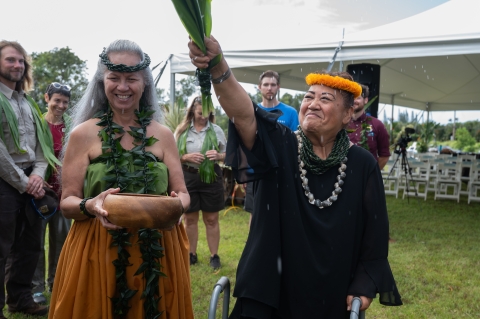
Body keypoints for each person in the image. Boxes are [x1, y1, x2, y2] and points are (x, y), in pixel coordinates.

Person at [188, 36, 402, 318]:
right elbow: (244, 115)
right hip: (270, 289)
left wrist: (363, 285)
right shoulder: (279, 144)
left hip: (332, 293)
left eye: (325, 99)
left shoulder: (362, 164)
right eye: (308, 97)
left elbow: (374, 235)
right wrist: (218, 66)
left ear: (348, 114)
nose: (312, 104)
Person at [48, 40, 194, 319]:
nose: (123, 87)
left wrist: (177, 206)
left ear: (145, 84)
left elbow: (183, 193)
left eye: (131, 78)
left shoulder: (163, 135)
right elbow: (67, 202)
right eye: (114, 78)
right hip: (97, 248)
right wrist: (90, 206)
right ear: (102, 82)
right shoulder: (83, 134)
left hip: (158, 248)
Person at [0, 40, 57, 318]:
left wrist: (36, 175)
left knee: (30, 243)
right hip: (4, 181)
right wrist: (24, 183)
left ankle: (21, 299)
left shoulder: (29, 103)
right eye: (10, 60)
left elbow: (42, 147)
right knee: (1, 246)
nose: (17, 65)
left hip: (30, 179)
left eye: (21, 61)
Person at [31, 83, 72, 304]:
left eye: (65, 102)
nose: (61, 105)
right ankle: (36, 288)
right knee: (36, 242)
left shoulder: (70, 127)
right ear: (47, 98)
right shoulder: (37, 124)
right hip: (39, 193)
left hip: (64, 194)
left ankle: (55, 282)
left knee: (61, 240)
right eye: (57, 100)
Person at [174, 96, 226, 269]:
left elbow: (227, 153)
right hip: (188, 176)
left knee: (211, 219)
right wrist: (185, 157)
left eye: (207, 112)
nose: (203, 116)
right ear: (192, 111)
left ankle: (214, 256)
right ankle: (191, 254)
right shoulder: (181, 131)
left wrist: (218, 156)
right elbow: (172, 155)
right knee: (190, 219)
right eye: (199, 112)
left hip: (211, 177)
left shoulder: (217, 130)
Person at [244, 71, 299, 226]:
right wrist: (245, 170)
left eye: (273, 84)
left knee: (283, 211)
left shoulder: (290, 113)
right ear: (259, 87)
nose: (269, 88)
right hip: (256, 171)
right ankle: (254, 247)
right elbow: (246, 143)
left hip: (283, 170)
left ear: (278, 87)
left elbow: (296, 142)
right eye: (266, 85)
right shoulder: (252, 112)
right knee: (255, 212)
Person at [347, 84, 390, 170]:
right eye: (352, 98)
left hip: (367, 178)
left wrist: (372, 173)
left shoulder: (377, 125)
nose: (354, 101)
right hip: (341, 176)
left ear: (365, 100)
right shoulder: (340, 124)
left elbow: (384, 155)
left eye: (358, 98)